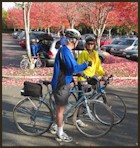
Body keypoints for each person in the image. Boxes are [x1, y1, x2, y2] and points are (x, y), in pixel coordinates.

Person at [51, 29, 91, 142]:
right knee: (60, 111)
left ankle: (56, 126)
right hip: (61, 85)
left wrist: (84, 75)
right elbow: (73, 68)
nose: (78, 42)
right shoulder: (65, 51)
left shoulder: (67, 51)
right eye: (78, 40)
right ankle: (59, 133)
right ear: (73, 41)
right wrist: (86, 64)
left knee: (62, 109)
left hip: (65, 83)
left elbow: (70, 68)